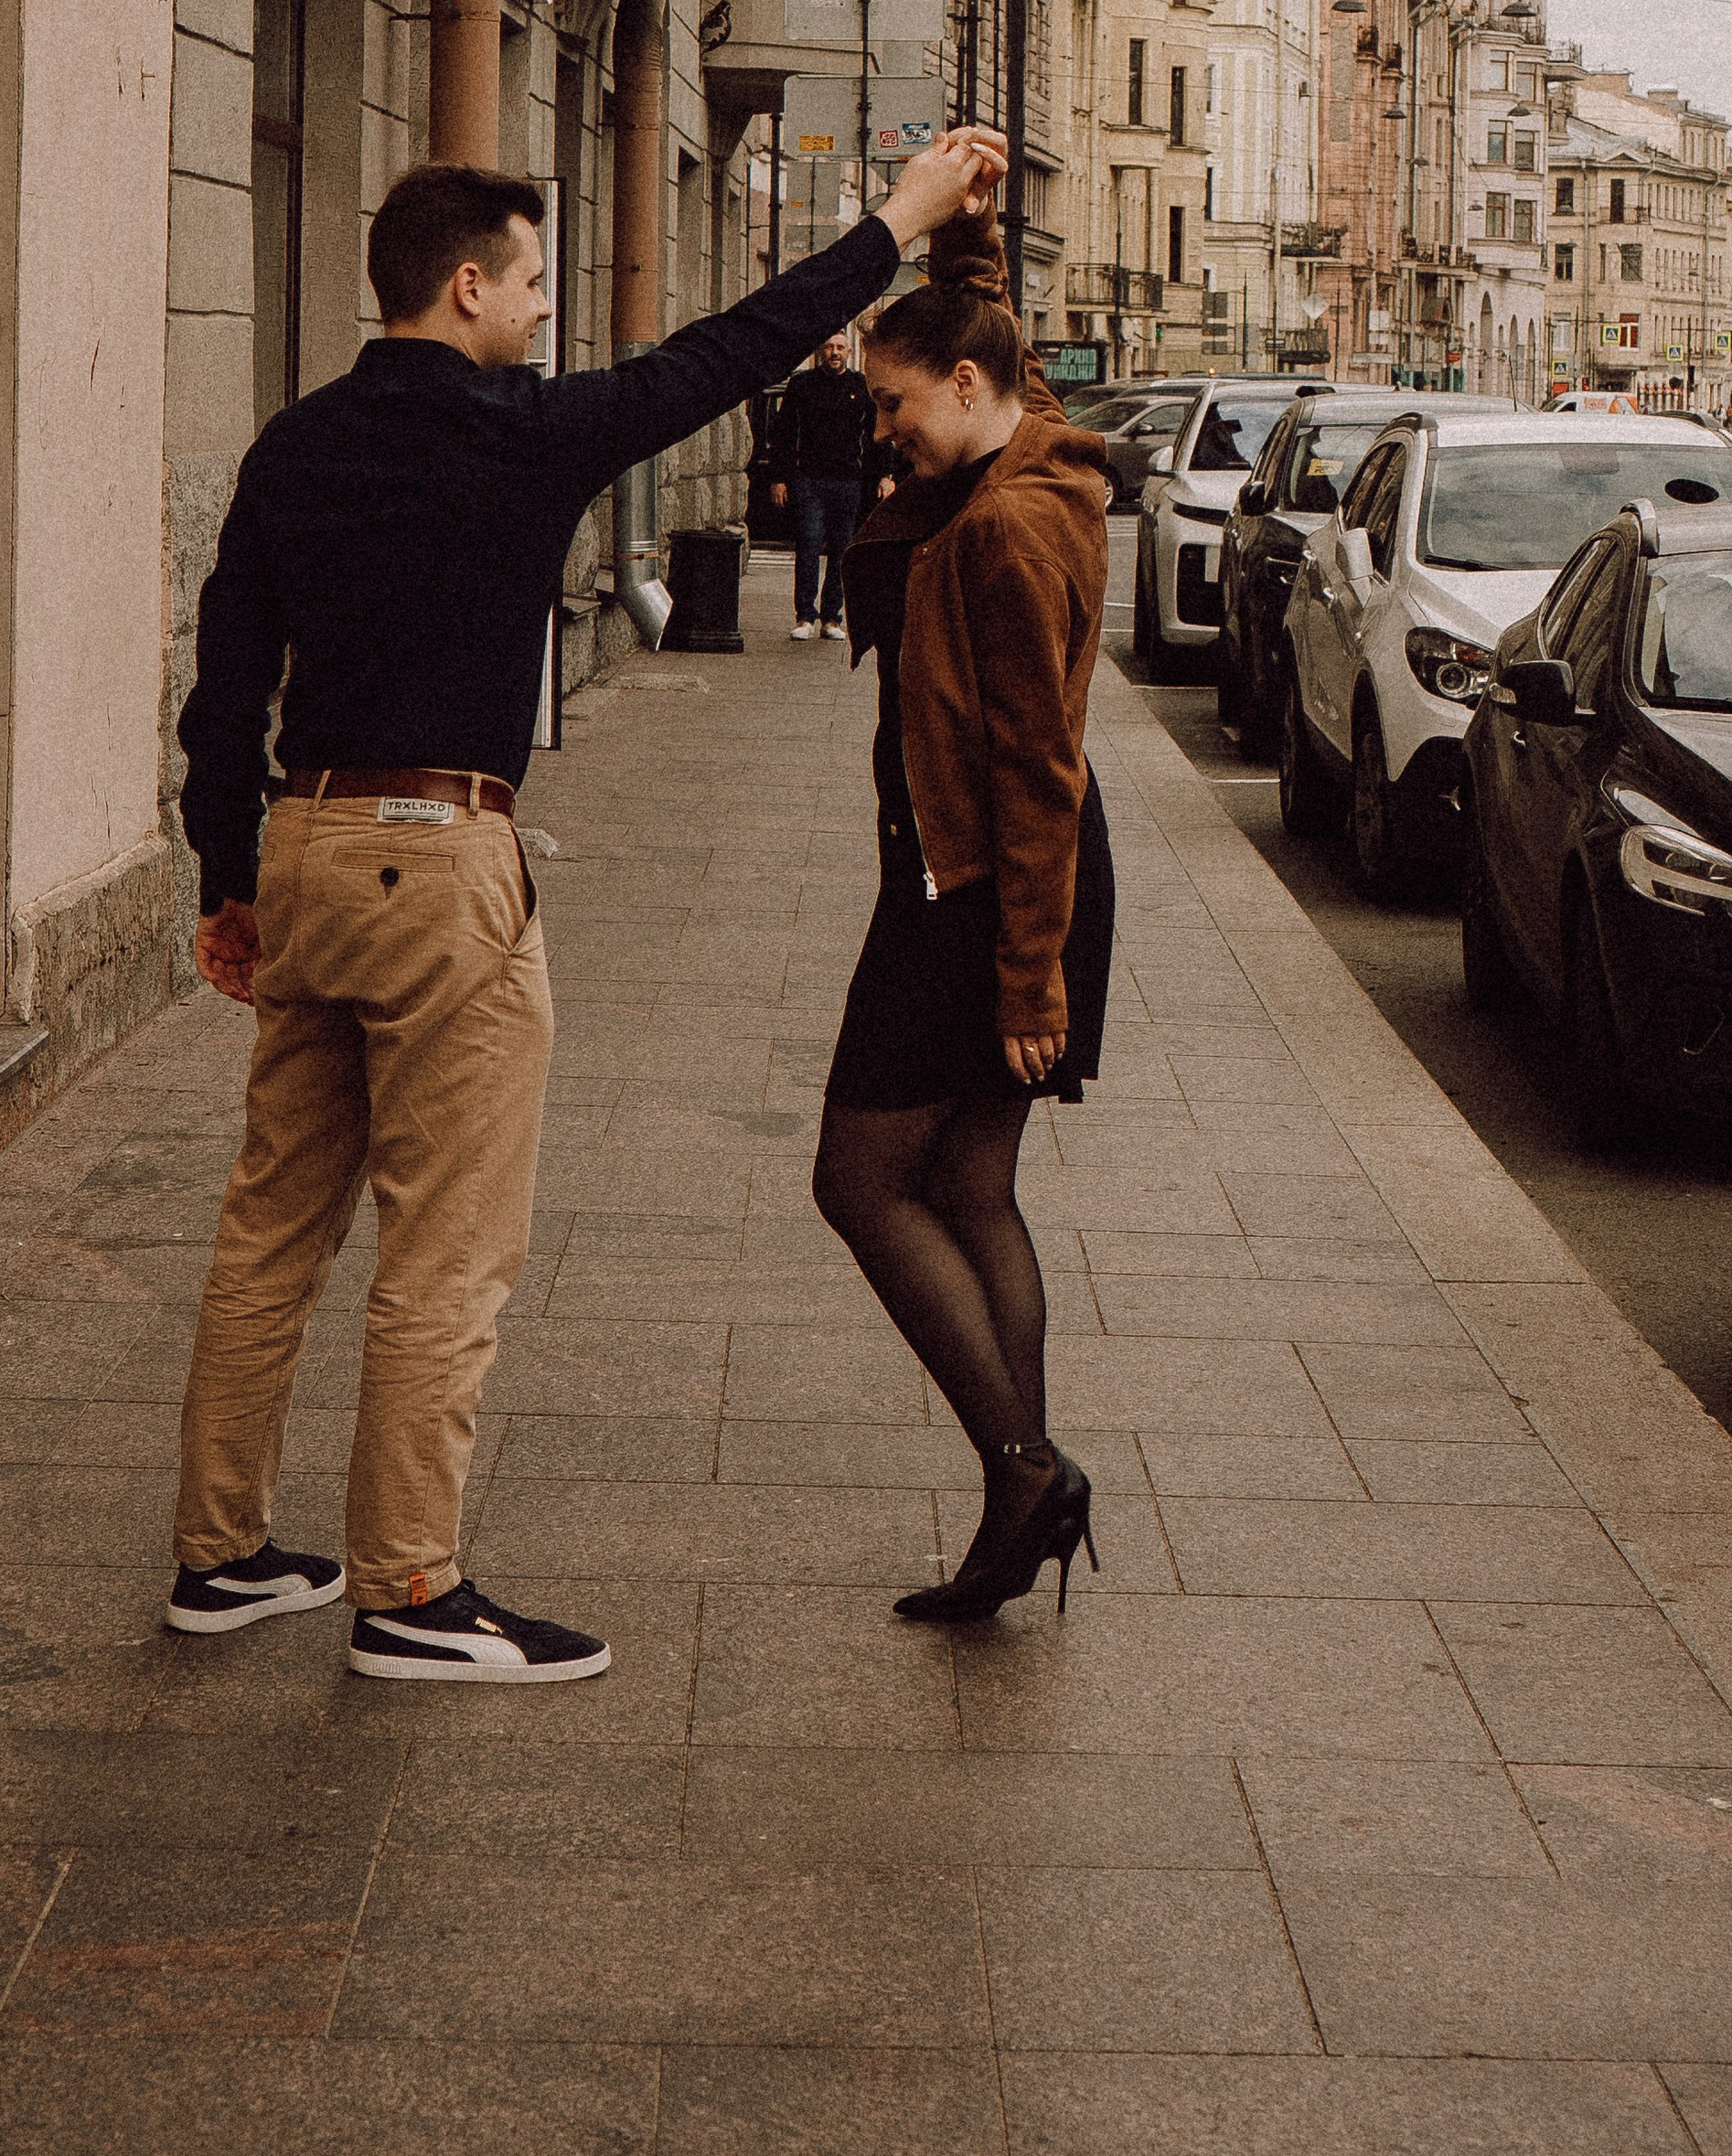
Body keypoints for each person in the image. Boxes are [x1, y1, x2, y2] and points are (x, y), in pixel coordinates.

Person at [167, 125, 1007, 1683]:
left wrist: (230, 875)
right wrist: (898, 216)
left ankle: (218, 1555)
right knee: (447, 1247)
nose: (548, 311)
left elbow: (226, 687)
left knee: (273, 1221)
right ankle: (411, 1591)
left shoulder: (293, 445)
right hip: (441, 863)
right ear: (469, 286)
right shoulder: (520, 437)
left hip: (308, 849)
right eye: (536, 283)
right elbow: (731, 350)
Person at [811, 194, 1115, 1624]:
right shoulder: (1032, 442)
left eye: (896, 407)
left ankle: (1024, 1470)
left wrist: (1029, 983)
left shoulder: (1002, 534)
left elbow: (1037, 772)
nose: (885, 435)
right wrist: (967, 250)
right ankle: (1018, 1507)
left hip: (981, 892)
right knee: (974, 1185)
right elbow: (997, 339)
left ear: (968, 388)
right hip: (991, 881)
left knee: (862, 1184)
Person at [767, 329, 875, 641]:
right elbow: (783, 434)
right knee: (809, 545)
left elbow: (875, 436)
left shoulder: (860, 387)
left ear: (850, 352)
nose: (834, 352)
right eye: (828, 346)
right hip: (808, 480)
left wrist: (884, 475)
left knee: (842, 550)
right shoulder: (801, 385)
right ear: (819, 351)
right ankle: (805, 616)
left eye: (840, 347)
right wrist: (779, 477)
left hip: (847, 481)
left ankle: (832, 618)